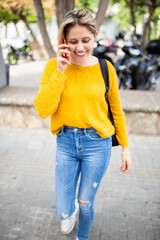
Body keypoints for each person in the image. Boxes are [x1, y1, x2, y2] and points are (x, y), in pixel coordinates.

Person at [34, 8, 132, 240]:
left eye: (86, 40)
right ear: (64, 41)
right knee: (63, 210)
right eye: (73, 41)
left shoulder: (105, 68)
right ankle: (70, 212)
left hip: (98, 145)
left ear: (95, 36)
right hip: (66, 142)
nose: (80, 47)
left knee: (86, 203)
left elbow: (117, 111)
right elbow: (42, 109)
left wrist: (126, 149)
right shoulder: (52, 67)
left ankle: (83, 236)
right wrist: (60, 71)